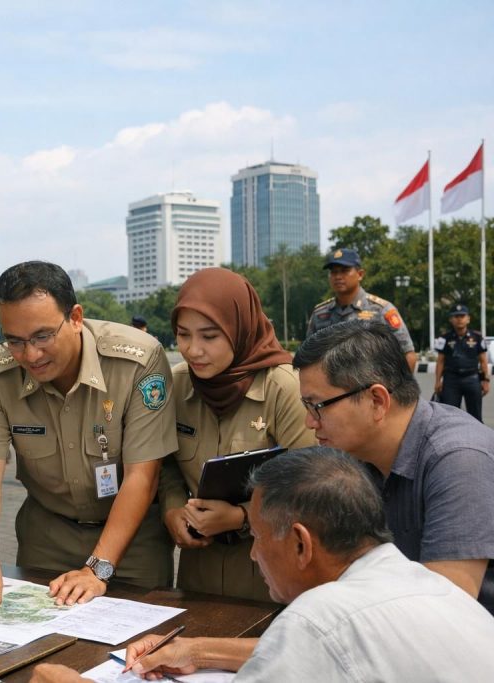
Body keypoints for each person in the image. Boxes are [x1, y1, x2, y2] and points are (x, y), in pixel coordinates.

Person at [30, 448, 494, 683]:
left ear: (300, 544)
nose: (252, 554)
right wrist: (196, 651)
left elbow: (324, 641)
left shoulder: (318, 621)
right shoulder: (420, 582)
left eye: (254, 535)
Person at [0, 261, 177, 626]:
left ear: (75, 317)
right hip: (48, 536)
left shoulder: (137, 361)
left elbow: (143, 475)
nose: (30, 355)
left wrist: (98, 568)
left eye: (43, 336)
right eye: (14, 340)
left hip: (132, 539)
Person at [294, 320, 494, 614]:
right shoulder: (357, 457)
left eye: (317, 406)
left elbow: (447, 615)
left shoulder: (458, 460)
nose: (309, 422)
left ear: (376, 400)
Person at [160, 268, 316, 601]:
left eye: (209, 336)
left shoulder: (283, 388)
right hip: (198, 565)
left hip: (270, 568)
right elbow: (166, 464)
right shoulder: (178, 386)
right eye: (183, 334)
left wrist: (242, 517)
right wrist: (172, 510)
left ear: (240, 328)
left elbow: (312, 487)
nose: (193, 349)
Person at [306, 247, 416, 371]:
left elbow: (408, 354)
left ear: (360, 274)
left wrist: (395, 389)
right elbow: (309, 356)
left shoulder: (381, 310)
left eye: (344, 271)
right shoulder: (320, 313)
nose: (338, 276)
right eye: (334, 272)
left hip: (370, 387)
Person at [435, 302, 489, 421]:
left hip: (472, 378)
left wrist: (486, 380)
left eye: (462, 316)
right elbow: (440, 361)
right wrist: (438, 381)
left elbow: (483, 361)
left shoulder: (477, 337)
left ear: (468, 319)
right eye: (456, 316)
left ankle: (477, 439)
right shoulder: (445, 338)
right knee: (450, 416)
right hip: (451, 380)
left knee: (475, 416)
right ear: (451, 319)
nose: (459, 319)